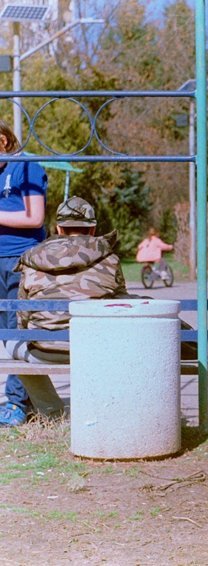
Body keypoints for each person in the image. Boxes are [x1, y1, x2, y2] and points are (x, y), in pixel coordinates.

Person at [5, 197, 122, 420]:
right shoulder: (110, 258)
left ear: (58, 228)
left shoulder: (31, 259)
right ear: (93, 229)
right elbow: (120, 304)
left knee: (12, 342)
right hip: (96, 349)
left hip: (44, 351)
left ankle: (52, 411)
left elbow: (23, 318)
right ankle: (103, 408)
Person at [0, 119, 47, 427]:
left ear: (3, 140)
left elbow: (35, 217)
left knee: (17, 331)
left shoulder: (26, 166)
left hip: (19, 259)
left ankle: (17, 403)